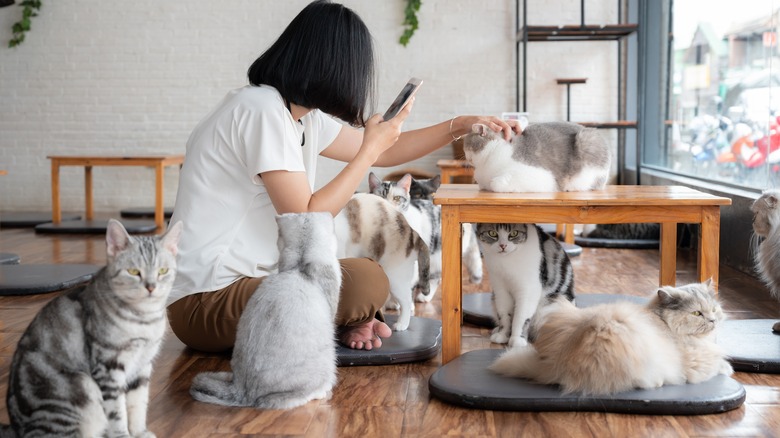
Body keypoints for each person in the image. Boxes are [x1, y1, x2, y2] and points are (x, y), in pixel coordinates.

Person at [166, 0, 521, 354]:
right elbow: (306, 215)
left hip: (258, 284)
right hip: (204, 303)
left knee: (362, 278)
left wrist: (456, 126)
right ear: (334, 66)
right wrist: (369, 150)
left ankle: (345, 321)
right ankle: (343, 320)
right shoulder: (260, 110)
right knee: (367, 282)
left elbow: (386, 151)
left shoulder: (300, 117)